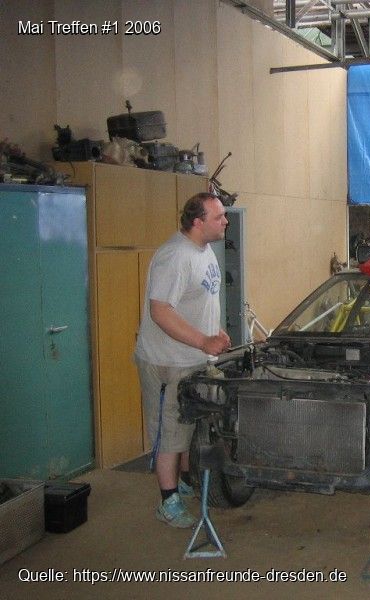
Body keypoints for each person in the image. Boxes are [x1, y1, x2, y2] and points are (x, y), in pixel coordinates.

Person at [134, 192, 231, 528]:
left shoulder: (204, 250)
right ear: (198, 222)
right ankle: (168, 501)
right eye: (219, 217)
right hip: (168, 361)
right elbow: (160, 311)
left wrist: (214, 331)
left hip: (193, 357)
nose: (225, 221)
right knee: (170, 433)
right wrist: (203, 340)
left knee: (187, 428)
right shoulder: (175, 256)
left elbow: (198, 300)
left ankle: (185, 483)